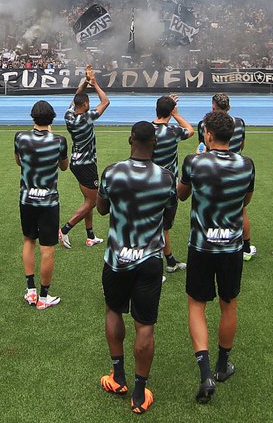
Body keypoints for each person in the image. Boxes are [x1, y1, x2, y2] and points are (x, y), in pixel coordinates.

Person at [96, 121, 176, 414]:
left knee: (114, 311)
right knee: (145, 325)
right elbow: (168, 219)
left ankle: (118, 377)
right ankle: (140, 393)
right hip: (149, 260)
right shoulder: (166, 178)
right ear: (155, 142)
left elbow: (102, 209)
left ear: (131, 140)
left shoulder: (113, 172)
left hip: (116, 258)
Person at [179, 111, 255, 404]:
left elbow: (182, 194)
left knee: (197, 305)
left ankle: (205, 372)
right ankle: (223, 366)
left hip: (201, 245)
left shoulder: (194, 162)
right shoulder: (246, 164)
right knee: (229, 303)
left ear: (207, 134)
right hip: (231, 247)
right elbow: (245, 199)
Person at [15, 100, 68, 310]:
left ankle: (31, 291)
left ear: (33, 117)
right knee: (47, 248)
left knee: (29, 240)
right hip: (48, 200)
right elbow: (64, 166)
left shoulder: (20, 137)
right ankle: (44, 296)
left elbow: (19, 161)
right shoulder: (59, 140)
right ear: (52, 118)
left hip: (27, 198)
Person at [196, 93, 256, 261]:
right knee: (240, 208)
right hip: (237, 168)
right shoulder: (240, 122)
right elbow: (242, 143)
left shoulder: (204, 124)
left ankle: (210, 240)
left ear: (213, 106)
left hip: (212, 168)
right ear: (228, 107)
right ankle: (245, 247)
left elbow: (204, 146)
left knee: (209, 206)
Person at [59, 64, 110, 249]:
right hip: (86, 164)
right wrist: (95, 84)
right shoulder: (87, 117)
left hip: (76, 161)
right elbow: (106, 101)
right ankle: (65, 229)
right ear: (86, 105)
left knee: (88, 200)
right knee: (94, 201)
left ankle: (90, 235)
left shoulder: (68, 115)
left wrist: (84, 82)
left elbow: (76, 98)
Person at [151, 94, 194, 277]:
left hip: (148, 183)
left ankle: (169, 260)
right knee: (160, 227)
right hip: (168, 187)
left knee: (159, 227)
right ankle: (154, 268)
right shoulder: (173, 132)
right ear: (171, 111)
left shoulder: (146, 129)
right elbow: (190, 130)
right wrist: (176, 114)